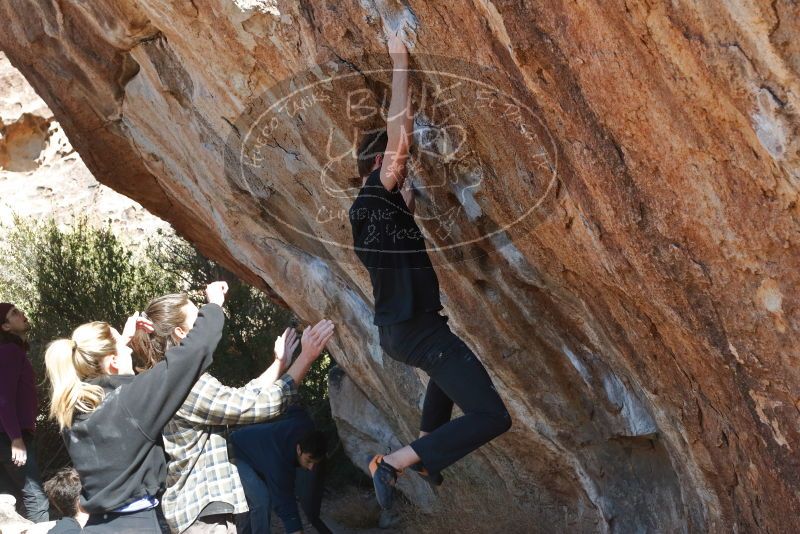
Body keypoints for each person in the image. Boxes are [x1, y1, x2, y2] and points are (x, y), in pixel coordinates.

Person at [348, 33, 512, 510]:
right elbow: (399, 133)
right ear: (379, 165)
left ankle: (427, 450)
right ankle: (397, 461)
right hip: (418, 332)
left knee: (448, 371)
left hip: (404, 331)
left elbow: (394, 250)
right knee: (491, 415)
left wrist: (408, 212)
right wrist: (400, 63)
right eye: (398, 167)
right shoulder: (377, 195)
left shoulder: (369, 213)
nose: (405, 171)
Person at [130, 293, 334, 533]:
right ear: (181, 334)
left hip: (197, 511)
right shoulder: (187, 386)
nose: (206, 324)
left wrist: (280, 364)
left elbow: (239, 398)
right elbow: (255, 406)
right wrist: (307, 358)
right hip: (202, 514)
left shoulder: (168, 377)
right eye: (199, 319)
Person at [44, 281, 229, 533]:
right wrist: (214, 306)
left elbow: (112, 393)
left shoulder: (73, 409)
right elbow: (192, 353)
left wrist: (121, 345)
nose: (129, 350)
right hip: (136, 525)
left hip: (99, 526)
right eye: (124, 347)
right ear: (112, 360)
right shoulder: (129, 404)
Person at [232, 406, 332, 534]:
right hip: (235, 451)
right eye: (308, 461)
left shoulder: (305, 424)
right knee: (261, 500)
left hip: (255, 452)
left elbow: (294, 407)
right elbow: (285, 502)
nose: (311, 468)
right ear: (298, 449)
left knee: (258, 503)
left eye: (315, 463)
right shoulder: (279, 463)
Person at [0, 303, 49, 523]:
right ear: (5, 327)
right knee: (36, 499)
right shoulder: (9, 352)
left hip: (8, 435)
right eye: (14, 313)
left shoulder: (12, 351)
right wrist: (16, 438)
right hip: (9, 436)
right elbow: (3, 398)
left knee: (7, 498)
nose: (22, 314)